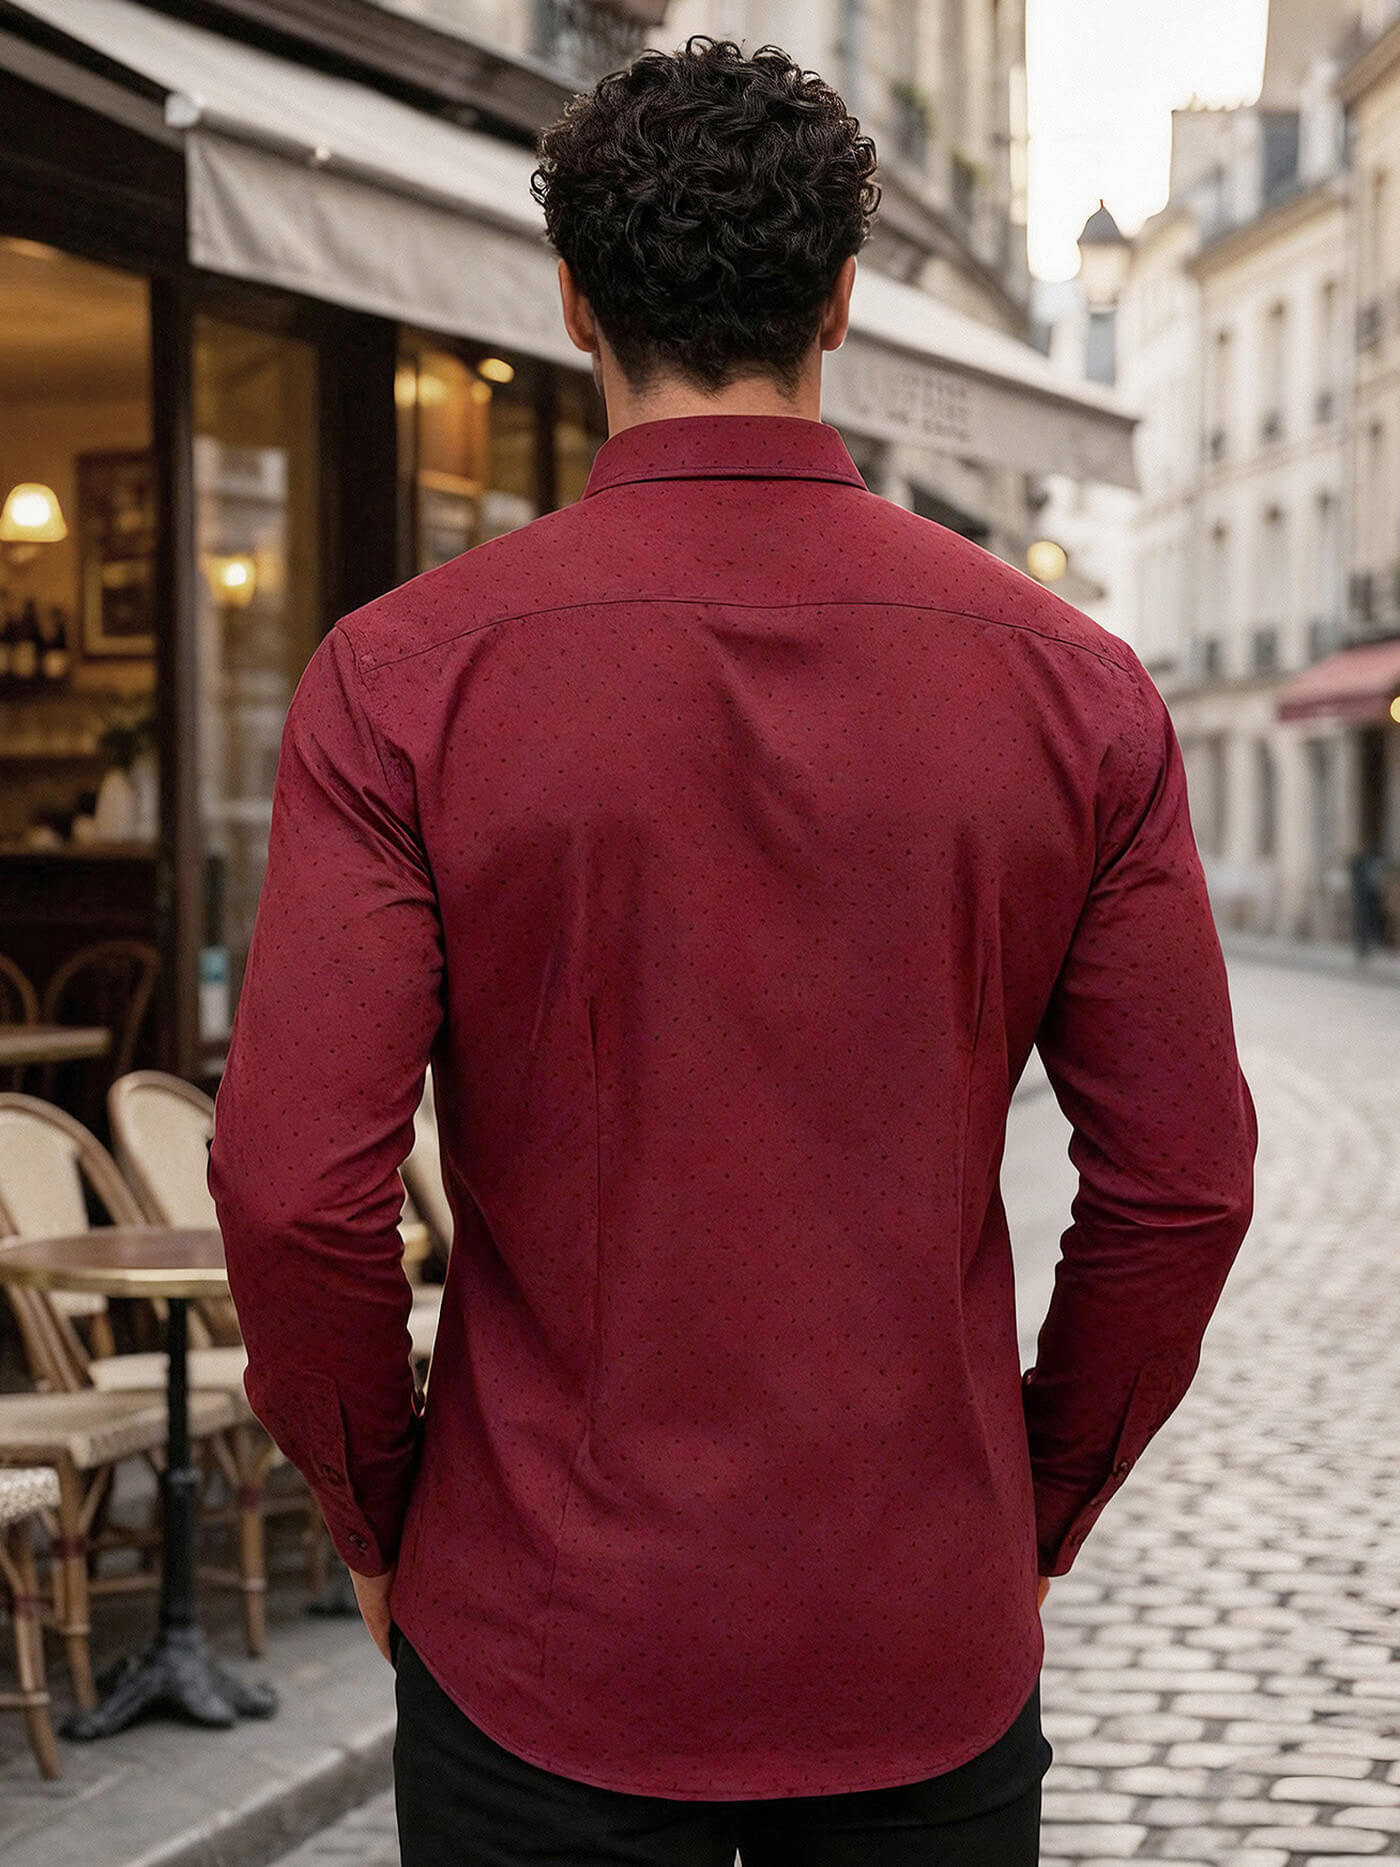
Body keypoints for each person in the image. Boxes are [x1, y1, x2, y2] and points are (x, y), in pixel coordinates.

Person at [208, 34, 1259, 1867]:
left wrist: (380, 1518)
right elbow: (1184, 1183)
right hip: (919, 1636)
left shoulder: (402, 682)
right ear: (843, 300)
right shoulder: (1076, 690)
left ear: (571, 301)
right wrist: (1032, 1504)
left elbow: (298, 1194)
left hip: (542, 1639)